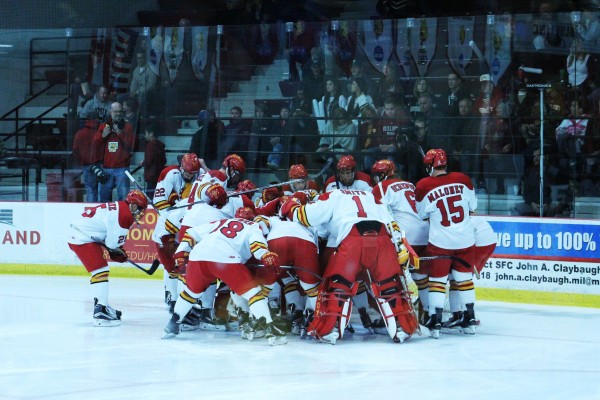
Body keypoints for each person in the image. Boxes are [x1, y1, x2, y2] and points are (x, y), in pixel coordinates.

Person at [279, 182, 419, 344]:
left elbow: (304, 217)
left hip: (352, 241)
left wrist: (291, 206)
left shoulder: (332, 196)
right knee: (390, 286)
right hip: (382, 239)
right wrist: (400, 246)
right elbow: (392, 224)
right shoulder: (371, 196)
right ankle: (403, 328)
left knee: (338, 286)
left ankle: (329, 330)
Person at [164, 205, 287, 345]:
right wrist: (265, 255)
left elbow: (191, 233)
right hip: (225, 258)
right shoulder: (253, 226)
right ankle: (271, 330)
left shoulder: (221, 222)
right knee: (254, 294)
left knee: (191, 293)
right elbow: (257, 245)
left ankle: (173, 324)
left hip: (198, 255)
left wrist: (182, 252)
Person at [414, 148, 478, 338]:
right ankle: (470, 319)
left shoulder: (424, 185)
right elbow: (472, 207)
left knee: (437, 281)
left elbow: (421, 215)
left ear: (429, 165)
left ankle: (435, 321)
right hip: (466, 239)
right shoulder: (463, 179)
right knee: (464, 280)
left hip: (441, 242)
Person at [68, 189, 148, 326]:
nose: (141, 214)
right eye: (140, 209)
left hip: (83, 234)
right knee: (100, 270)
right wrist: (117, 253)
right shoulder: (125, 216)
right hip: (82, 237)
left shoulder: (122, 208)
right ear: (133, 205)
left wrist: (116, 251)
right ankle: (101, 311)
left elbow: (111, 242)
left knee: (101, 270)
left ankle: (102, 304)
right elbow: (112, 244)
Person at [370, 159, 429, 320]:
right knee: (421, 277)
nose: (376, 178)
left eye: (379, 174)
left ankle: (398, 316)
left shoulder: (382, 187)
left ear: (387, 173)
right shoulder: (409, 184)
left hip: (406, 237)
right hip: (426, 234)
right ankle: (427, 315)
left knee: (390, 276)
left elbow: (374, 212)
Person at [151, 153, 202, 312]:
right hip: (171, 225)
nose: (189, 176)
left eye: (192, 174)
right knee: (175, 267)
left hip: (186, 222)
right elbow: (159, 202)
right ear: (181, 168)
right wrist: (174, 211)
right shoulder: (170, 174)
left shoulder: (201, 176)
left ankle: (184, 298)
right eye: (186, 173)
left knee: (186, 265)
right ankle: (172, 297)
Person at [94, 102, 136, 202]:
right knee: (104, 197)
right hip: (106, 168)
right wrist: (102, 135)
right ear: (110, 112)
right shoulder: (105, 126)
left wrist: (120, 134)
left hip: (122, 168)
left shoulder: (128, 126)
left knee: (124, 197)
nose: (118, 113)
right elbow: (95, 143)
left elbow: (131, 145)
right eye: (116, 111)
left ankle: (123, 216)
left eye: (120, 111)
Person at [362, 95, 410, 170]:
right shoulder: (380, 120)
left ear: (396, 108)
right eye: (387, 109)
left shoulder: (402, 120)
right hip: (382, 146)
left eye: (392, 109)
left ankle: (390, 176)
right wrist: (381, 145)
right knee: (368, 153)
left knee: (391, 152)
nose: (389, 111)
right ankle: (370, 176)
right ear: (384, 109)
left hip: (395, 147)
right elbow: (378, 135)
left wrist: (391, 145)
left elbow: (403, 139)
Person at [72, 119, 103, 202]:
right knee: (101, 189)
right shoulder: (100, 133)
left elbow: (75, 150)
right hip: (99, 163)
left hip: (86, 164)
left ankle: (92, 209)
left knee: (90, 189)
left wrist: (80, 161)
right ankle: (102, 208)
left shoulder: (80, 133)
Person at [140, 124, 166, 200]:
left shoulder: (150, 146)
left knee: (150, 197)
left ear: (151, 134)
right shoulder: (161, 146)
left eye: (146, 133)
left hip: (151, 176)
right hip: (159, 175)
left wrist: (142, 163)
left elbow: (148, 161)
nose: (145, 136)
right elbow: (164, 160)